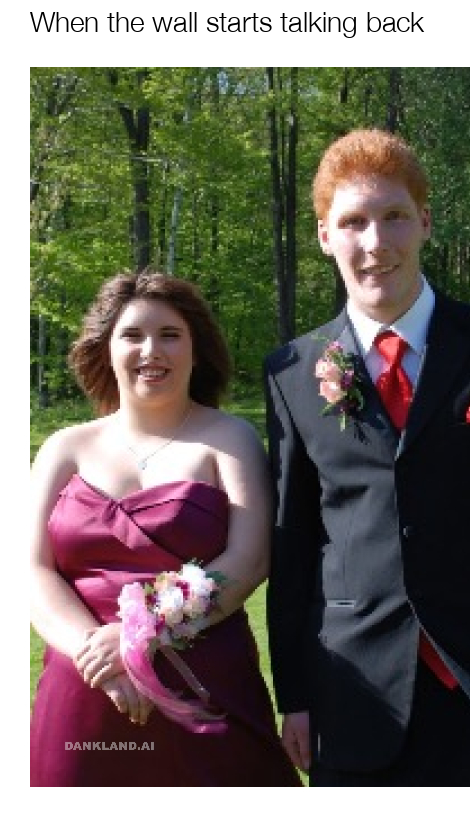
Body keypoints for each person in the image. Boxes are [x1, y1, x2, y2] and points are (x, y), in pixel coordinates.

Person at [263, 128, 470, 786]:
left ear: (425, 222)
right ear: (324, 235)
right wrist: (296, 694)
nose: (376, 242)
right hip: (351, 690)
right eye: (353, 222)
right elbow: (294, 543)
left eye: (395, 216)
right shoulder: (290, 370)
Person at [30, 270, 301, 787]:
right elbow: (31, 570)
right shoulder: (64, 448)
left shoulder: (230, 439)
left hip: (204, 683)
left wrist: (140, 633)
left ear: (196, 350)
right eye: (132, 335)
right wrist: (100, 657)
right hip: (85, 686)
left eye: (170, 335)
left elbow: (249, 561)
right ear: (106, 349)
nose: (151, 351)